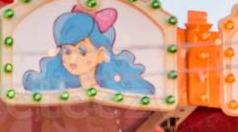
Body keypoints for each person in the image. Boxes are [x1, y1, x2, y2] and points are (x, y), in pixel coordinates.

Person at [21, 6, 154, 94]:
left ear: (101, 54)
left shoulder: (110, 93)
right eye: (67, 51)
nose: (72, 58)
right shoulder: (63, 92)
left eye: (83, 51)